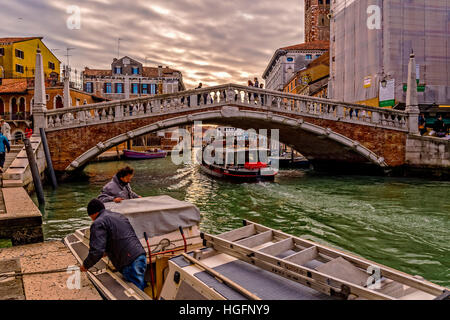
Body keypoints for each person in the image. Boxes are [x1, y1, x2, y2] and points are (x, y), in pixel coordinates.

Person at [80, 199, 147, 290]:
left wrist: (85, 265)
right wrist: (107, 252)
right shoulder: (119, 216)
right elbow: (120, 237)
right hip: (140, 255)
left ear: (93, 213)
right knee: (139, 288)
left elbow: (97, 251)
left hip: (129, 261)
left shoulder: (98, 222)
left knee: (136, 291)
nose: (92, 219)